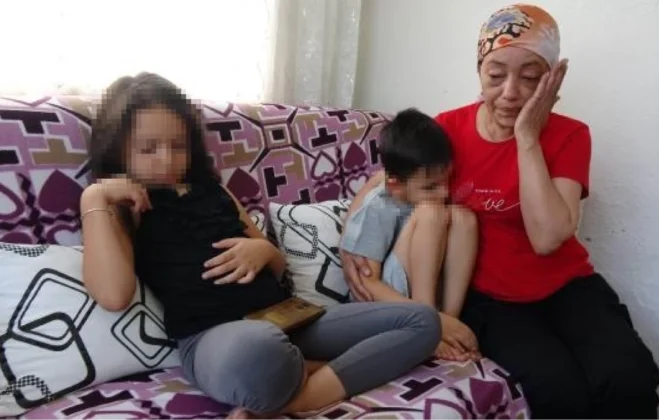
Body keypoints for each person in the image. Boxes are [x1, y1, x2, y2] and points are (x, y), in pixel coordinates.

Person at [342, 4, 659, 420]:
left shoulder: (570, 135)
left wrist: (527, 138)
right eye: (496, 75)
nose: (510, 92)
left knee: (627, 378)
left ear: (551, 78)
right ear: (479, 71)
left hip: (569, 286)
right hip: (490, 299)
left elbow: (548, 238)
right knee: (558, 391)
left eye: (530, 78)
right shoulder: (448, 129)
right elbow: (384, 179)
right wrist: (351, 246)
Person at [80, 73, 441, 420]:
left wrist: (263, 251)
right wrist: (93, 197)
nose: (167, 160)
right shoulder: (123, 207)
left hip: (286, 317)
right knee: (260, 349)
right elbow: (113, 294)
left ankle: (298, 398)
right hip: (217, 339)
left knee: (423, 321)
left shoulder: (215, 190)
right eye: (148, 149)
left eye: (178, 145)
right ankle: (320, 368)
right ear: (119, 150)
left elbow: (279, 266)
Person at [339, 108, 480, 361]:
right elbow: (367, 284)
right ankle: (429, 327)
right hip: (383, 307)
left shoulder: (426, 191)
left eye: (446, 181)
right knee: (431, 213)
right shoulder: (378, 206)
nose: (443, 192)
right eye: (431, 187)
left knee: (464, 218)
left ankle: (450, 322)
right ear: (395, 185)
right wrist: (425, 315)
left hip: (423, 297)